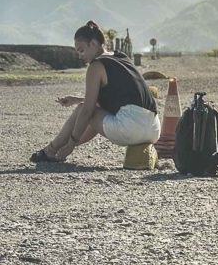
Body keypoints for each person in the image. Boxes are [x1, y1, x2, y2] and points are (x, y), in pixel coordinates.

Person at [30, 20, 161, 162]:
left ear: (93, 44)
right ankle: (60, 147)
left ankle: (50, 150)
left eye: (81, 50)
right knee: (92, 107)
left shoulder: (96, 66)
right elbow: (118, 96)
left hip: (132, 129)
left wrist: (72, 145)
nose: (80, 55)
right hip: (153, 128)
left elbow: (87, 111)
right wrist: (76, 99)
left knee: (84, 110)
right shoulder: (121, 57)